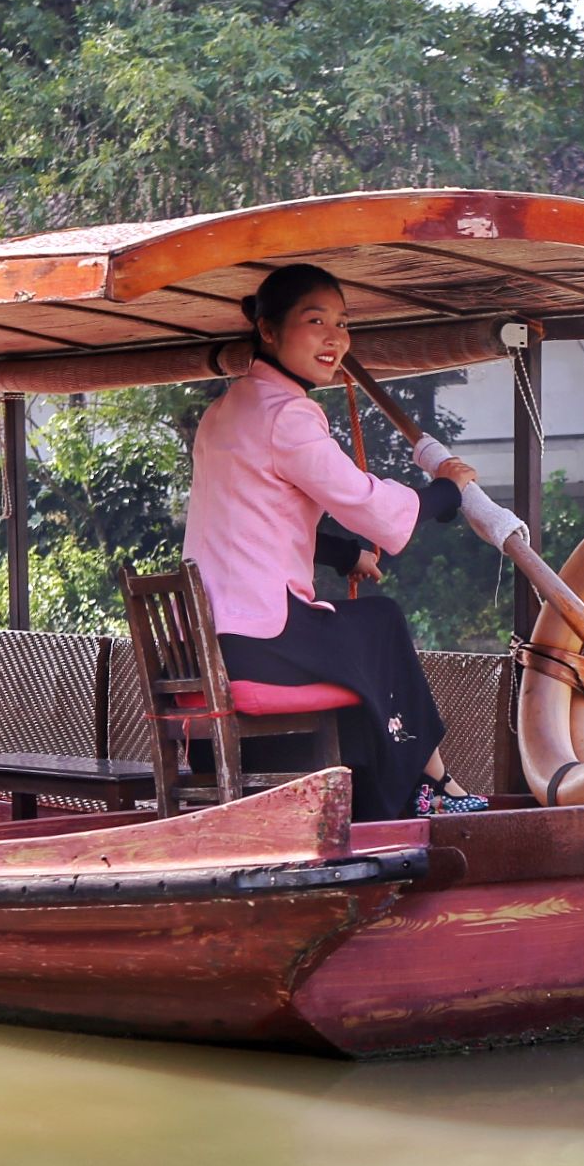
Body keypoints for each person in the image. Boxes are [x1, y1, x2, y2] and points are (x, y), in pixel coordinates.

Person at [182, 263, 489, 820]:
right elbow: (366, 503)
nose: (335, 339)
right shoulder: (287, 415)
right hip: (260, 639)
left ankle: (397, 796)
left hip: (217, 639)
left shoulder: (224, 411)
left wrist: (345, 553)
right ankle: (434, 785)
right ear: (269, 331)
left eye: (343, 324)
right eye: (315, 320)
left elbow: (252, 521)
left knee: (359, 644)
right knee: (382, 622)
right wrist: (445, 492)